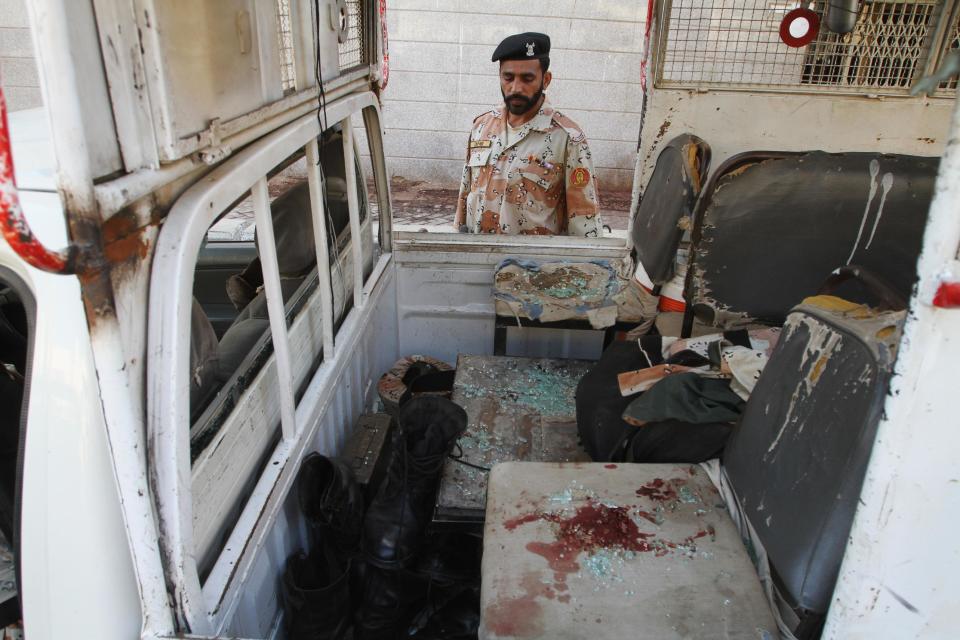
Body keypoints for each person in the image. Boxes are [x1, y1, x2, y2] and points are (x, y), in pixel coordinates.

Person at [454, 32, 602, 236]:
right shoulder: (481, 127)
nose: (516, 88)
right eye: (508, 77)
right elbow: (464, 200)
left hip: (531, 265)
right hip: (477, 261)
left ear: (546, 79)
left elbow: (585, 221)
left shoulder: (567, 138)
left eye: (527, 78)